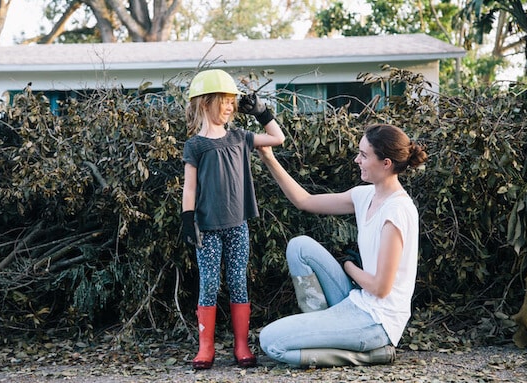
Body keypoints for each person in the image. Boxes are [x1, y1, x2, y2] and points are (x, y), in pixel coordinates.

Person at [257, 123, 428, 367]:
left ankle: (366, 354)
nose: (357, 160)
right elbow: (304, 201)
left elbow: (380, 288)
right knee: (299, 247)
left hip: (377, 321)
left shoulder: (397, 211)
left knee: (272, 342)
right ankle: (322, 330)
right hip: (359, 300)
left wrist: (348, 266)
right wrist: (268, 157)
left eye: (364, 155)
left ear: (386, 163)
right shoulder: (365, 196)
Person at [181, 69, 285, 369]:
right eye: (224, 101)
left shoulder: (240, 137)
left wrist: (262, 112)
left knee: (239, 281)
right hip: (208, 228)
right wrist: (188, 219)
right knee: (209, 284)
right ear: (204, 103)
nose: (230, 107)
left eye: (232, 102)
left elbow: (277, 138)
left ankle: (241, 345)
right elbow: (190, 187)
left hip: (237, 224)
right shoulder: (195, 146)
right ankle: (206, 348)